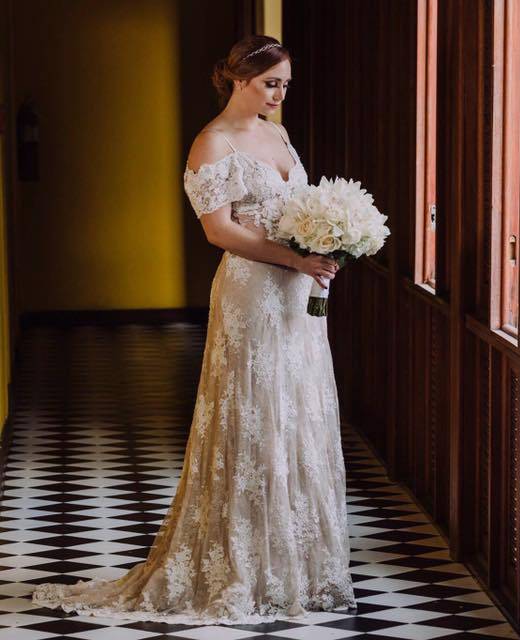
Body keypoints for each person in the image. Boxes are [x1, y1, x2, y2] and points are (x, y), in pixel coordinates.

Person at [30, 34, 357, 625]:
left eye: (285, 84)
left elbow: (296, 206)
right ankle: (242, 567)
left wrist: (325, 240)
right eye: (270, 84)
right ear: (239, 80)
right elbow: (220, 231)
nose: (280, 94)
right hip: (253, 293)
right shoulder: (213, 143)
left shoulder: (277, 132)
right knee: (254, 414)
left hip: (298, 293)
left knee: (297, 411)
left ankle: (295, 566)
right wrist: (295, 259)